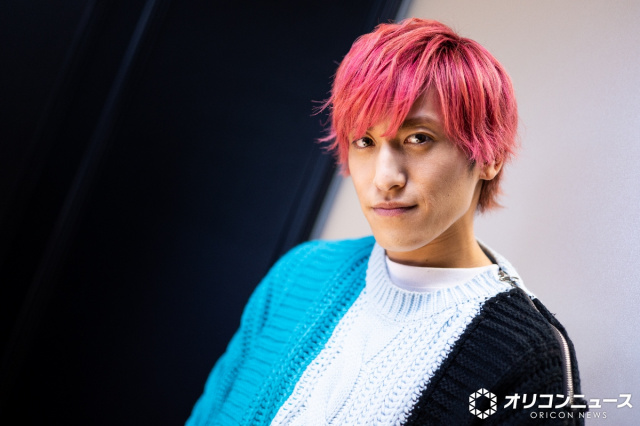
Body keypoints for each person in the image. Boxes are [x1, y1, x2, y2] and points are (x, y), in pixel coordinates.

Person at [187, 18, 584, 425]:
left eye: (418, 138)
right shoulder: (300, 273)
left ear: (489, 158)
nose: (384, 178)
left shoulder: (528, 356)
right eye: (365, 141)